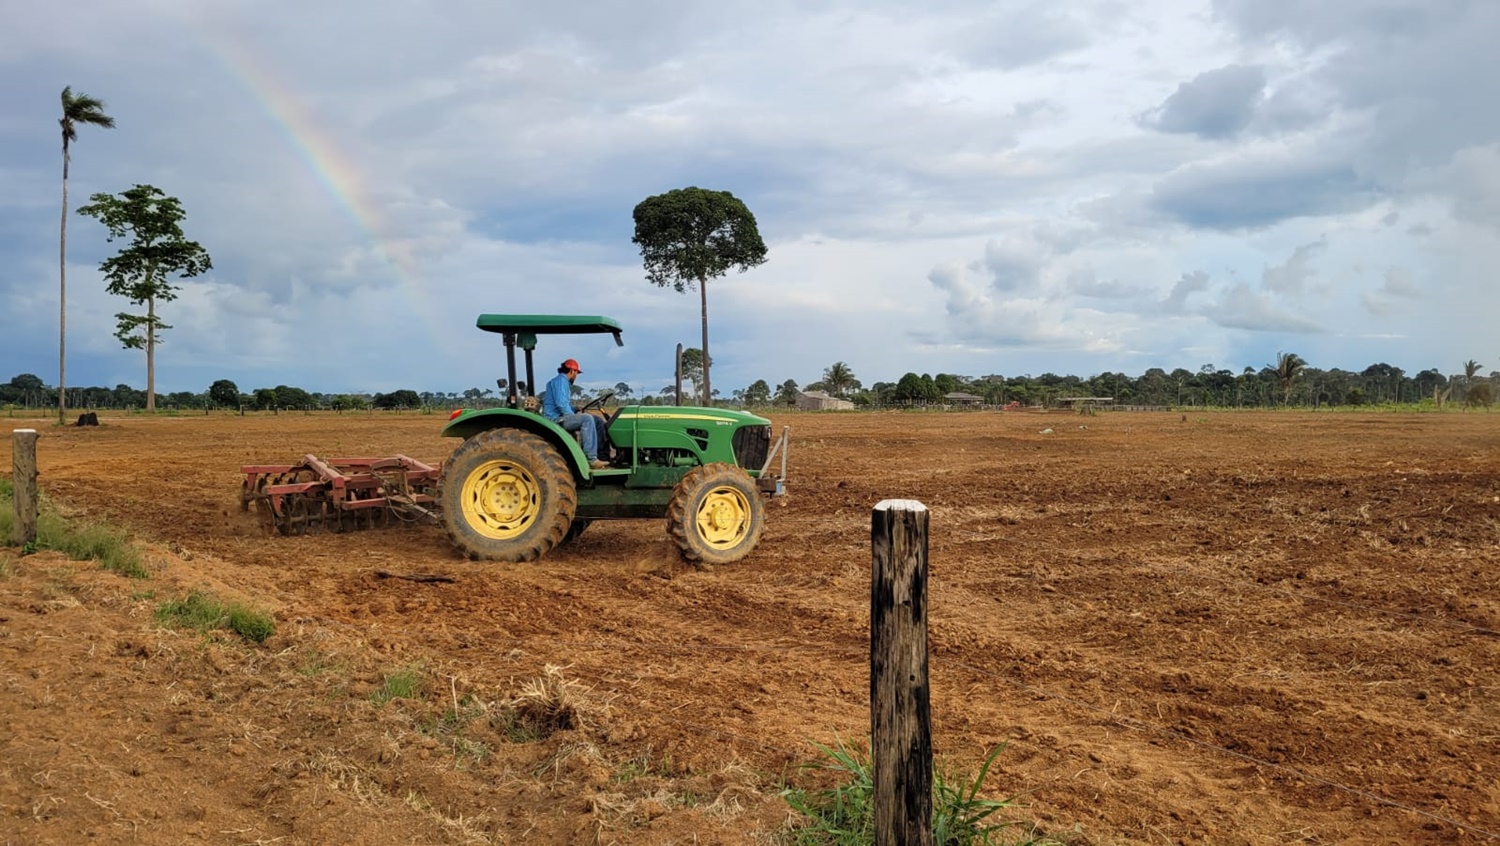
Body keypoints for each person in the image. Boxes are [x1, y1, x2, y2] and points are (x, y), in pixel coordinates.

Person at [542, 358, 610, 469]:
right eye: (576, 373)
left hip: (560, 416)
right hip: (556, 419)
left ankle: (603, 456)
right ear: (572, 371)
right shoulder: (561, 381)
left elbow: (562, 403)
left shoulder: (560, 381)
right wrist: (572, 416)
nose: (576, 376)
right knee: (587, 419)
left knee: (597, 420)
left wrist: (574, 408)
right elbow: (561, 403)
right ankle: (591, 459)